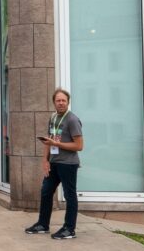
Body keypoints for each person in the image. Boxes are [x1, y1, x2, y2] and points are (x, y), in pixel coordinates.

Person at [26, 88, 84, 241]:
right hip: (54, 163)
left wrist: (56, 144)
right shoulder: (53, 117)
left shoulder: (72, 120)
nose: (61, 103)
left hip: (68, 164)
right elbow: (49, 140)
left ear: (68, 102)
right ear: (54, 102)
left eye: (63, 100)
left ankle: (69, 229)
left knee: (70, 196)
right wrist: (45, 160)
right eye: (58, 100)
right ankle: (43, 224)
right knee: (46, 192)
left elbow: (79, 146)